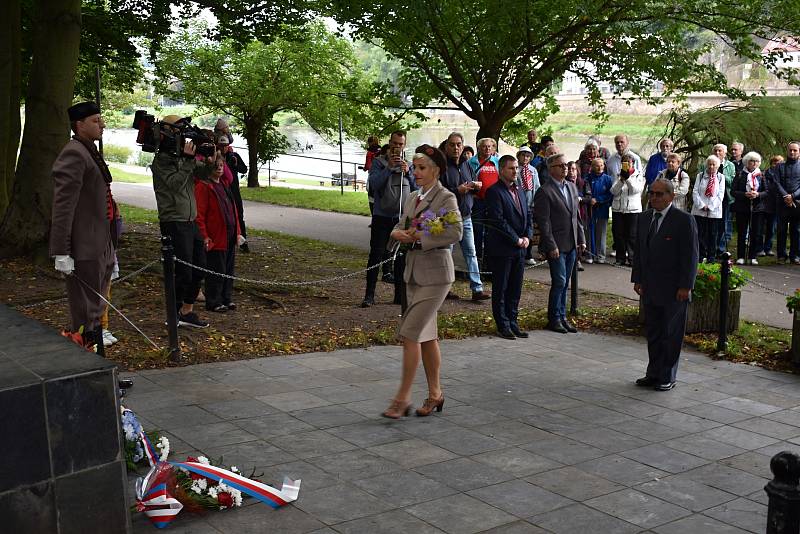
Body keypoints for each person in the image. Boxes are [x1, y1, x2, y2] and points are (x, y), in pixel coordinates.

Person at [382, 145, 463, 419]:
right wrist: (399, 233)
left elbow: (456, 232)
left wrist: (419, 238)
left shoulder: (446, 198)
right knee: (426, 337)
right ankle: (435, 395)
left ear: (436, 170)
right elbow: (400, 225)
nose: (415, 172)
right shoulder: (413, 197)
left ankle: (402, 398)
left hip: (437, 275)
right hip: (414, 273)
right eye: (415, 167)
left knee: (410, 333)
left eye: (422, 168)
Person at [49, 101, 118, 351]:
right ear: (79, 125)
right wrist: (61, 250)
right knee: (85, 314)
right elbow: (63, 206)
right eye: (95, 120)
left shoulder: (88, 149)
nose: (102, 124)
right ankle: (88, 373)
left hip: (100, 243)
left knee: (96, 311)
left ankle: (98, 372)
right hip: (85, 247)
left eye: (101, 119)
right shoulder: (74, 152)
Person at [632, 177, 699, 391]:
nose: (654, 197)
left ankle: (667, 375)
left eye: (659, 194)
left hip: (674, 288)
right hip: (650, 286)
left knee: (671, 333)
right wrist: (638, 279)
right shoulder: (643, 218)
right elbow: (640, 252)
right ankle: (653, 372)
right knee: (654, 332)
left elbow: (690, 256)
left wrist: (686, 286)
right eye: (651, 193)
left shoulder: (683, 220)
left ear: (671, 196)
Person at [151, 115, 215, 328]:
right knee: (182, 271)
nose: (183, 135)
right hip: (174, 221)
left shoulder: (182, 157)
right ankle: (173, 313)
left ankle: (187, 311)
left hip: (190, 220)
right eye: (179, 130)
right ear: (169, 132)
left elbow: (204, 175)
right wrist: (188, 161)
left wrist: (210, 161)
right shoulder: (161, 161)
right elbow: (175, 184)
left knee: (200, 268)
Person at [362, 130, 416, 307]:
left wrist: (408, 173)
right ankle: (369, 295)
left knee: (401, 257)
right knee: (376, 255)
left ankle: (399, 295)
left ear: (404, 145)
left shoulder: (409, 164)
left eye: (401, 144)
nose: (397, 147)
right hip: (382, 217)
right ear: (390, 143)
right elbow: (374, 185)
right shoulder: (379, 162)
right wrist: (389, 168)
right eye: (394, 143)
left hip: (402, 218)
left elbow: (417, 188)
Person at [534, 153, 586, 334]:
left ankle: (563, 317)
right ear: (551, 169)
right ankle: (554, 318)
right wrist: (550, 245)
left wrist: (581, 239)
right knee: (559, 281)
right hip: (556, 244)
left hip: (571, 242)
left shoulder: (571, 187)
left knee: (566, 283)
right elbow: (544, 222)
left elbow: (576, 216)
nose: (565, 168)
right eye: (560, 166)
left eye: (566, 165)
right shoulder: (544, 191)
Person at [485, 155, 533, 339]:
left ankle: (513, 321)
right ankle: (503, 324)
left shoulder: (520, 189)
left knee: (516, 287)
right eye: (512, 168)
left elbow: (528, 213)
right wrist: (516, 239)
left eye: (517, 168)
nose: (515, 171)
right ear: (501, 170)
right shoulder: (494, 192)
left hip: (520, 248)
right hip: (503, 248)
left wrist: (527, 236)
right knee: (502, 288)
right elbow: (498, 221)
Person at [440, 132, 490, 301]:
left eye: (459, 144)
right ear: (447, 146)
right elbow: (438, 194)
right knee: (447, 254)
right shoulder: (442, 167)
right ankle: (444, 289)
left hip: (467, 216)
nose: (456, 148)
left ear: (463, 146)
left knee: (471, 253)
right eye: (452, 144)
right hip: (449, 218)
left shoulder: (467, 165)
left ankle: (477, 289)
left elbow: (473, 184)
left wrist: (476, 186)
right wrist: (457, 191)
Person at [195, 155, 244, 312]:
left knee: (228, 269)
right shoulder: (204, 186)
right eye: (216, 165)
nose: (220, 167)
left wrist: (238, 232)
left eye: (221, 164)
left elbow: (233, 211)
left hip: (229, 234)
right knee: (216, 269)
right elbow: (200, 214)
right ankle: (214, 301)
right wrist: (205, 236)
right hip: (215, 236)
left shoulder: (224, 185)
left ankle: (226, 297)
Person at [467, 138, 500, 262]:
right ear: (479, 148)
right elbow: (465, 179)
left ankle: (489, 257)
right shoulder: (471, 162)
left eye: (490, 146)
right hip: (478, 201)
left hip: (494, 202)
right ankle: (477, 256)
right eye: (484, 146)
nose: (487, 149)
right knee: (477, 229)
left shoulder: (497, 161)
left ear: (493, 148)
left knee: (492, 229)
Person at [732, 151, 767, 265]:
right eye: (752, 161)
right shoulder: (740, 174)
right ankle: (741, 256)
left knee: (756, 232)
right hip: (742, 207)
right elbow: (733, 191)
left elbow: (767, 191)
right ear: (747, 162)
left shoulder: (761, 175)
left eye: (757, 161)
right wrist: (744, 194)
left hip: (757, 208)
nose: (755, 163)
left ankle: (753, 256)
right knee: (742, 232)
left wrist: (758, 194)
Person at [610, 153, 644, 265]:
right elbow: (613, 191)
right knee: (618, 235)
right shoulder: (618, 175)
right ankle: (620, 259)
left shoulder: (639, 175)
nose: (626, 165)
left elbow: (635, 190)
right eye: (624, 163)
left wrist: (628, 179)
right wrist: (621, 180)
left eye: (628, 163)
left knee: (632, 235)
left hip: (633, 210)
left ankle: (632, 259)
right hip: (618, 209)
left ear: (633, 163)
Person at [691, 155, 726, 262]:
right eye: (709, 164)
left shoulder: (720, 177)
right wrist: (702, 205)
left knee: (713, 234)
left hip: (714, 211)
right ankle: (700, 256)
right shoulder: (700, 176)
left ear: (718, 166)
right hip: (699, 210)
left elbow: (720, 194)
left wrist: (710, 206)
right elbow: (695, 191)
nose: (711, 167)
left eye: (713, 164)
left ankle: (711, 257)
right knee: (700, 234)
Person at [773, 142, 800, 264]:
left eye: (795, 150)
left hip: (797, 203)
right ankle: (781, 256)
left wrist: (793, 196)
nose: (792, 152)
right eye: (790, 150)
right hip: (782, 203)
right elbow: (777, 183)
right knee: (781, 230)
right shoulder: (779, 166)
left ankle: (795, 255)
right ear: (787, 151)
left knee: (796, 230)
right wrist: (786, 196)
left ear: (799, 152)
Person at [583, 158, 613, 264]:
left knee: (601, 233)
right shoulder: (587, 178)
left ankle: (600, 255)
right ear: (592, 166)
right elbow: (584, 193)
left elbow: (610, 194)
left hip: (602, 209)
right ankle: (589, 254)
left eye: (601, 165)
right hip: (589, 209)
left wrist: (599, 200)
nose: (599, 167)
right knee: (589, 231)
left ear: (604, 166)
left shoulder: (608, 179)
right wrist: (589, 200)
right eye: (596, 165)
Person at [516, 146, 540, 264]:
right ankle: (519, 252)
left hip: (530, 204)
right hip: (519, 204)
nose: (525, 158)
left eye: (527, 156)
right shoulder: (516, 169)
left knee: (529, 229)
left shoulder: (533, 170)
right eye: (523, 155)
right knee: (518, 227)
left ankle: (528, 254)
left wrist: (536, 202)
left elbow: (537, 187)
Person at [713, 144, 736, 256]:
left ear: (725, 153)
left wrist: (719, 174)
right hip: (711, 198)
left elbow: (732, 181)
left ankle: (721, 248)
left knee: (724, 223)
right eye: (716, 150)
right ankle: (711, 246)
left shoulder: (730, 165)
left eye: (720, 151)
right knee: (712, 223)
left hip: (725, 198)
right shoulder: (708, 163)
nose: (717, 153)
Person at [762, 155, 785, 257]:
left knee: (772, 228)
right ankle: (759, 248)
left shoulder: (782, 175)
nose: (777, 164)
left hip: (775, 205)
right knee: (760, 228)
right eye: (775, 162)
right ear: (772, 163)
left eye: (780, 162)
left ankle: (768, 248)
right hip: (764, 204)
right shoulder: (764, 174)